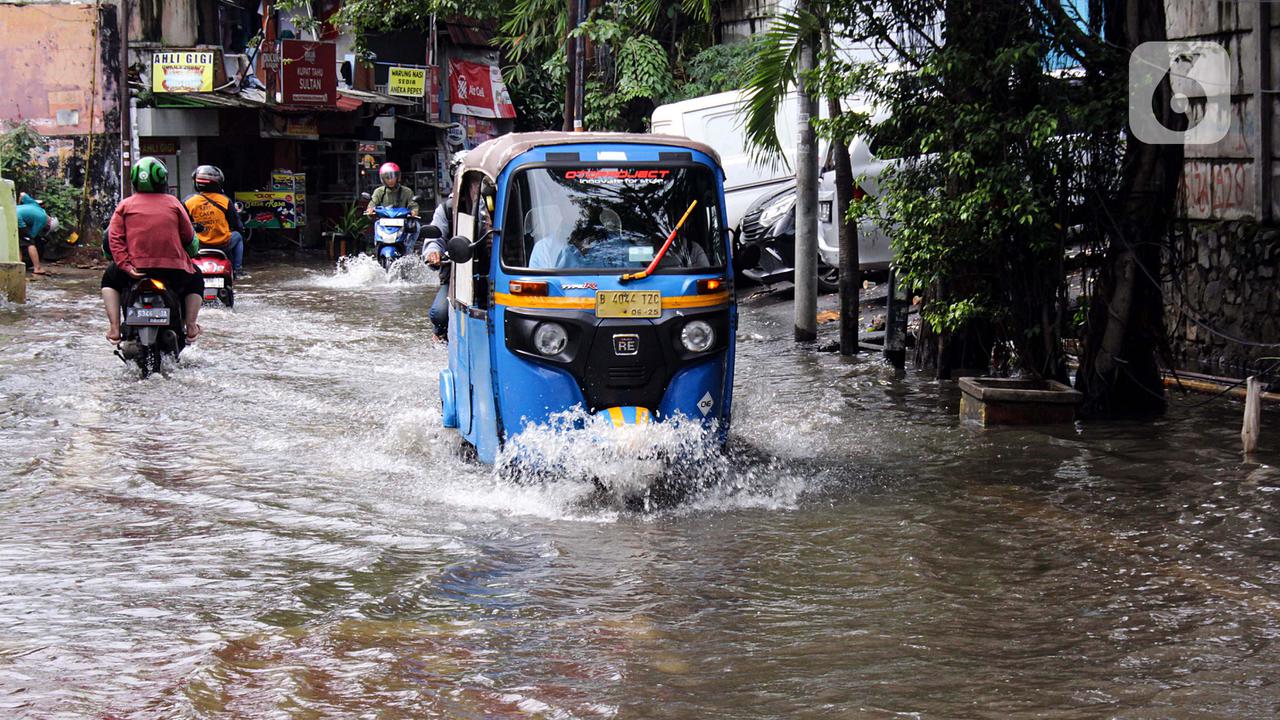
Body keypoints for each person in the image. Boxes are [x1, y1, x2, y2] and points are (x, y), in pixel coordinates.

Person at [101, 157, 205, 344]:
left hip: (134, 270)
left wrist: (125, 265)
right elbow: (189, 239)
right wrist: (190, 254)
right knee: (196, 277)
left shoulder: (125, 205)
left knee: (109, 279)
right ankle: (190, 326)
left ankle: (115, 329)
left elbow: (114, 239)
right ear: (163, 181)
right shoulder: (174, 204)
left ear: (134, 182)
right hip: (173, 270)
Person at [421, 150, 468, 342]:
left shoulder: (492, 203)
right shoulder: (447, 208)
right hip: (455, 274)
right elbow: (435, 235)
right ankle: (440, 336)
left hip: (493, 272)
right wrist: (433, 252)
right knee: (440, 314)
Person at [183, 165, 248, 278]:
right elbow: (236, 225)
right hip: (223, 245)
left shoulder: (188, 201)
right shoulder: (225, 201)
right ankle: (238, 270)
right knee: (238, 236)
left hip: (199, 246)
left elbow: (182, 225)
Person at [366, 162, 421, 254]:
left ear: (398, 177)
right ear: (383, 179)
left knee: (417, 227)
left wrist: (414, 211)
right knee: (376, 224)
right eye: (387, 177)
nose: (390, 180)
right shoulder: (379, 192)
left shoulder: (407, 191)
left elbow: (413, 204)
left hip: (402, 221)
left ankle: (409, 250)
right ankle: (378, 245)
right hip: (384, 222)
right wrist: (370, 210)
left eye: (393, 177)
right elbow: (373, 202)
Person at [16, 193, 57, 276]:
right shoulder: (43, 220)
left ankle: (18, 266)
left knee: (19, 242)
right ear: (48, 225)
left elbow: (22, 194)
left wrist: (19, 206)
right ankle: (37, 268)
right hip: (18, 218)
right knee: (30, 243)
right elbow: (32, 234)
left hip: (12, 211)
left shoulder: (39, 208)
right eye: (46, 229)